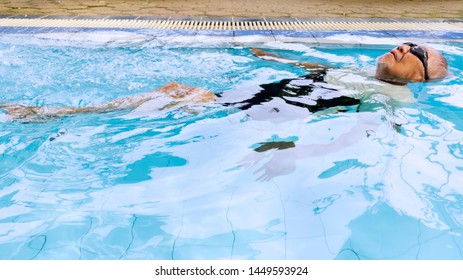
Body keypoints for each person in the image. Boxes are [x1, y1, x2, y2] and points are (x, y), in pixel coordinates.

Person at [0, 43, 448, 122]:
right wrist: (270, 55)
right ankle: (55, 114)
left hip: (275, 116)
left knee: (179, 95)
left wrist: (299, 149)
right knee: (177, 90)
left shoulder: (399, 98)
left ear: (424, 77)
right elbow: (312, 69)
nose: (405, 48)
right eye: (407, 43)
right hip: (265, 99)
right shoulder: (353, 71)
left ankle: (53, 115)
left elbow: (363, 132)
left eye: (419, 53)